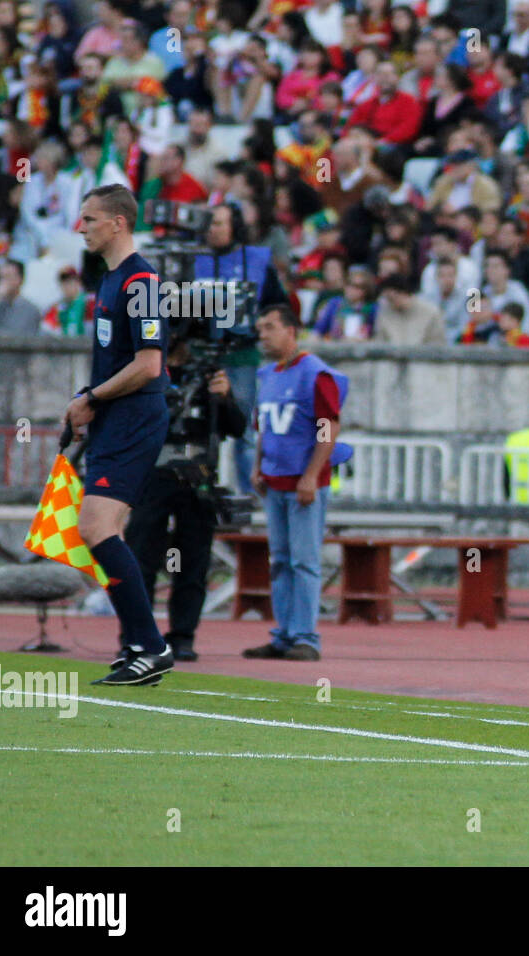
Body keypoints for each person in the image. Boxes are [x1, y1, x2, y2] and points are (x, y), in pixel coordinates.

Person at [66, 184, 172, 686]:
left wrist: (92, 398)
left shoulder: (142, 280)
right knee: (109, 529)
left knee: (94, 527)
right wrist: (89, 398)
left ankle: (151, 645)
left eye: (89, 219)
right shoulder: (110, 280)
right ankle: (136, 643)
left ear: (118, 223)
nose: (81, 227)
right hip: (115, 416)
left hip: (134, 417)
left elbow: (149, 365)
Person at [125, 336, 248, 661]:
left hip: (197, 477)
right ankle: (137, 634)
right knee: (141, 557)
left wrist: (224, 397)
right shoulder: (147, 371)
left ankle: (182, 635)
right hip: (153, 474)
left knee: (193, 559)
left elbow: (236, 427)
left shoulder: (208, 375)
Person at [243, 304, 348, 663]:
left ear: (291, 330)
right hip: (275, 481)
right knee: (281, 561)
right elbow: (263, 427)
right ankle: (285, 634)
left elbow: (328, 427)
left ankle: (306, 636)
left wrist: (310, 475)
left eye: (270, 327)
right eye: (260, 327)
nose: (263, 334)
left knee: (304, 561)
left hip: (303, 485)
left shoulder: (316, 374)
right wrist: (258, 467)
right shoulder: (267, 375)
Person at [193, 203, 289, 495]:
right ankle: (197, 492)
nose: (213, 229)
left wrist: (262, 327)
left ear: (234, 226)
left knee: (245, 429)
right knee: (196, 428)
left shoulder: (257, 260)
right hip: (200, 355)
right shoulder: (191, 260)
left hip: (242, 354)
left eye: (220, 223)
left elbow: (277, 303)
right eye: (210, 224)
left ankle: (250, 495)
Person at [0, 260, 42, 335]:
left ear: (20, 279)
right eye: (1, 278)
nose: (3, 282)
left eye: (8, 276)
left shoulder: (30, 309)